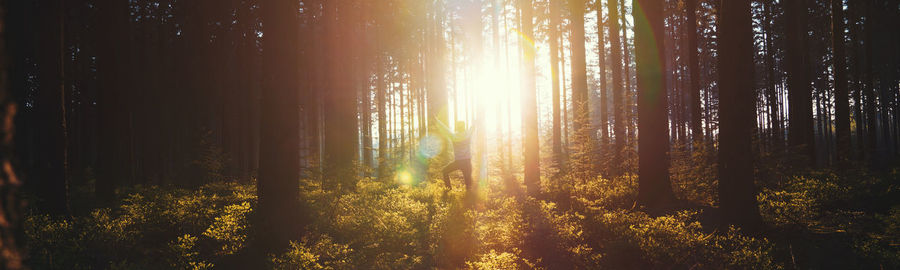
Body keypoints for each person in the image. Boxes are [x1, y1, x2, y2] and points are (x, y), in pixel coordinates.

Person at [435, 119, 478, 190]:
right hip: (467, 162)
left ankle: (448, 190)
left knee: (445, 171)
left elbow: (445, 129)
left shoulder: (453, 136)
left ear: (457, 128)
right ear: (464, 127)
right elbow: (473, 126)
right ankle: (469, 197)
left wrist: (437, 119)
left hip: (458, 162)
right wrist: (477, 118)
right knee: (468, 185)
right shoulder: (467, 134)